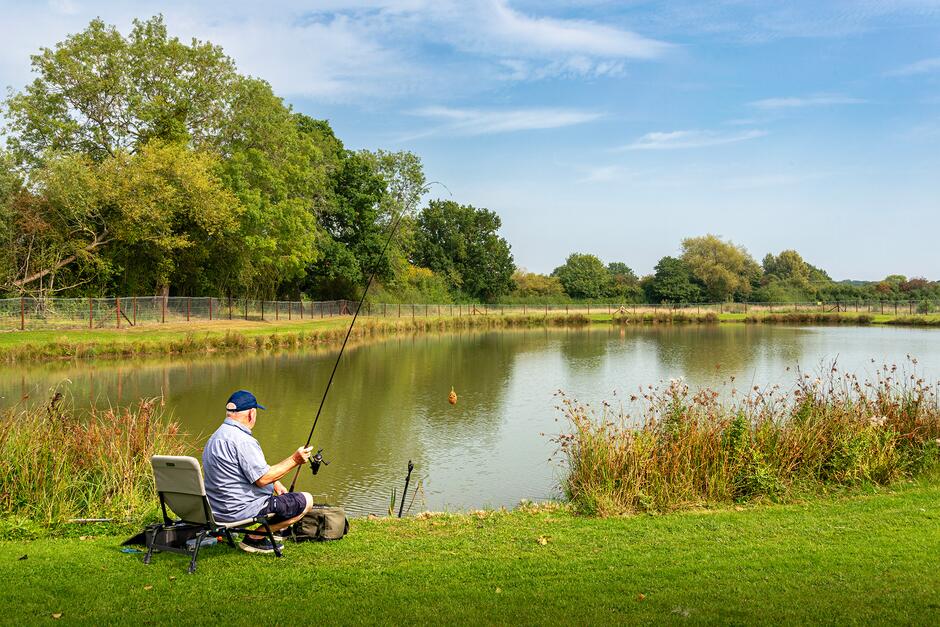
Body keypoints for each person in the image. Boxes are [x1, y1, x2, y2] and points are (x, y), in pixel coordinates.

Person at [202, 389, 314, 554]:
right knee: (306, 500)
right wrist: (295, 460)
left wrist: (276, 484)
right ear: (251, 414)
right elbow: (262, 479)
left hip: (215, 510)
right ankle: (255, 538)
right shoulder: (243, 440)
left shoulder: (216, 437)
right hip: (237, 512)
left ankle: (268, 532)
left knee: (281, 497)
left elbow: (243, 470)